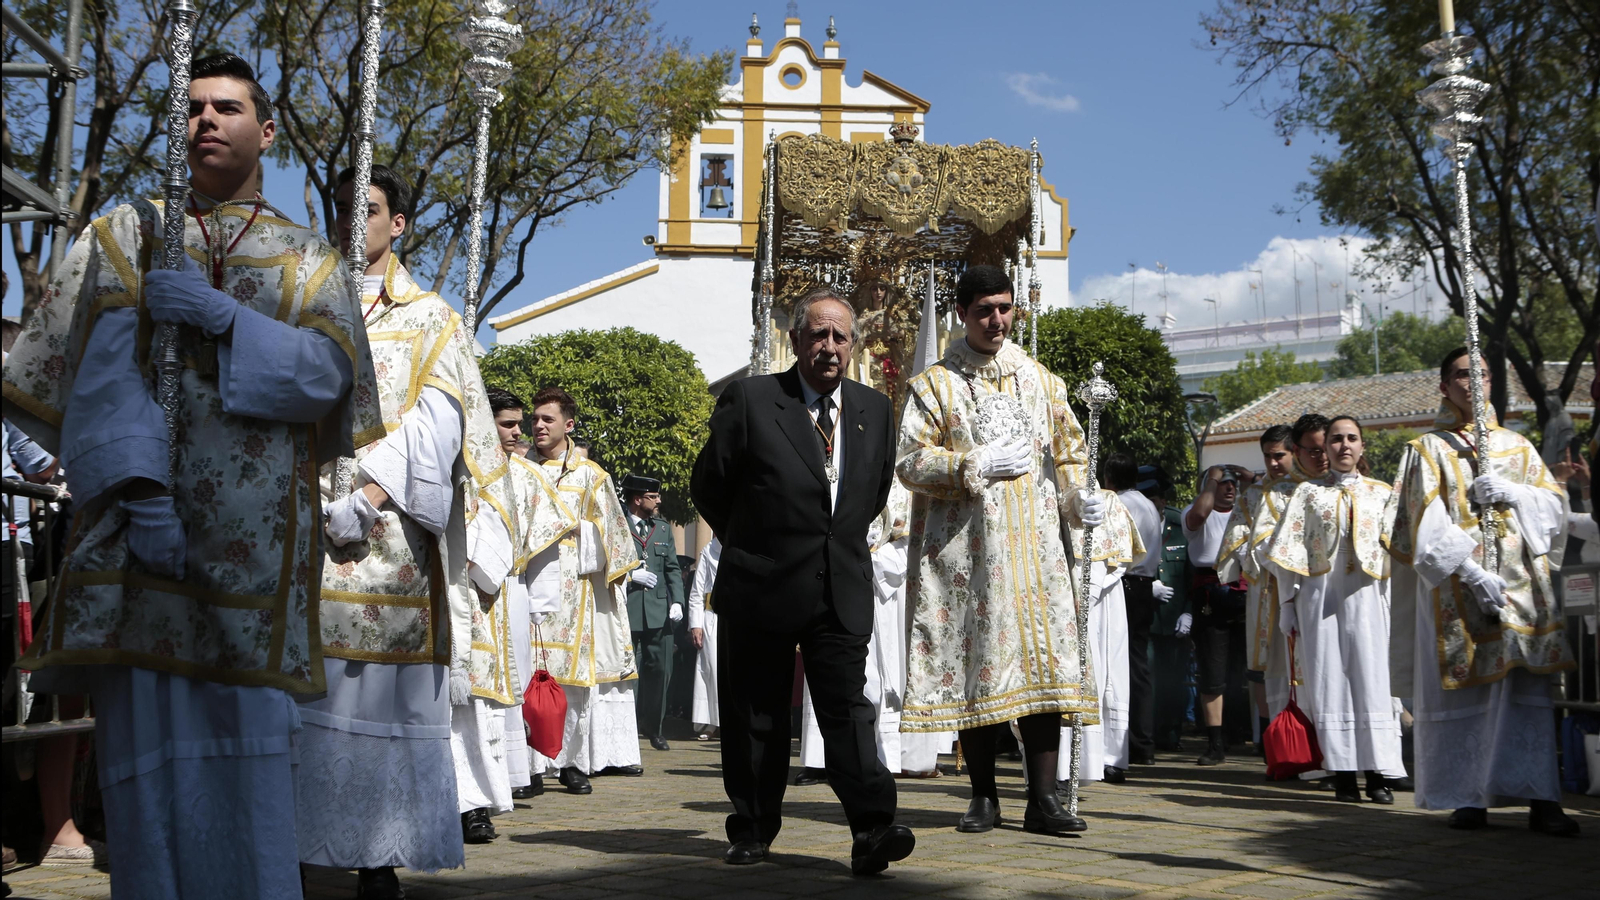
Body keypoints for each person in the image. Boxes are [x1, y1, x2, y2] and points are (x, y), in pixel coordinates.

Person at [3, 53, 384, 899]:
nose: (207, 121)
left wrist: (228, 322)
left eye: (228, 108)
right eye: (193, 109)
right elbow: (98, 379)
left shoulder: (311, 260)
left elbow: (331, 379)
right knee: (146, 775)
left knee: (248, 767)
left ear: (268, 130)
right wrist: (140, 494)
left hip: (255, 560)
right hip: (143, 550)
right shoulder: (125, 236)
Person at [293, 162, 531, 893]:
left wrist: (365, 495)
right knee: (304, 701)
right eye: (340, 207)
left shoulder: (430, 316)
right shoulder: (296, 304)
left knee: (379, 703)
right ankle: (298, 848)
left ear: (397, 224)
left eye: (365, 209)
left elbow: (440, 423)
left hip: (388, 542)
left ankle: (377, 854)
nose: (349, 221)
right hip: (298, 534)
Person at [692, 286, 912, 874]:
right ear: (795, 340)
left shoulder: (875, 410)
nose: (830, 347)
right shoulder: (752, 400)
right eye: (819, 334)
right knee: (758, 713)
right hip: (762, 585)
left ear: (854, 344)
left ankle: (872, 829)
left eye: (841, 336)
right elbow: (709, 484)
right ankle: (753, 829)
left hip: (839, 586)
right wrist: (756, 542)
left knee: (847, 709)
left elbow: (875, 491)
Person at [895, 264, 1101, 836]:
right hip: (968, 553)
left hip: (1036, 554)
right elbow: (910, 461)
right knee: (977, 669)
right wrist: (971, 464)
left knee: (1043, 672)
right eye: (985, 309)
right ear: (962, 314)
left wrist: (1081, 499)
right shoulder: (934, 385)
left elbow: (1070, 455)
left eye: (1005, 308)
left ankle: (1044, 797)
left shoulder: (1042, 381)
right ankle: (982, 795)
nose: (997, 320)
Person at [1386, 348, 1579, 835]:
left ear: (1493, 383)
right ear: (1444, 386)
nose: (1472, 382)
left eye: (1482, 374)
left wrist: (1518, 494)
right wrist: (1472, 573)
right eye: (1460, 374)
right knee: (1467, 698)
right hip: (1459, 590)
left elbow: (1556, 510)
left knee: (1525, 692)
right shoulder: (1425, 450)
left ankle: (1541, 798)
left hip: (1522, 592)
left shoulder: (1518, 447)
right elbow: (1418, 525)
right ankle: (1468, 796)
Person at [1265, 416, 1405, 803]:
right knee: (1329, 679)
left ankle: (1377, 773)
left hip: (1368, 594)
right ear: (1324, 448)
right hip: (1319, 596)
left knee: (1372, 678)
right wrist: (1288, 604)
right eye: (1336, 439)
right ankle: (1342, 773)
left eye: (1352, 439)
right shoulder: (1308, 494)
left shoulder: (1381, 493)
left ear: (1362, 447)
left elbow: (1402, 550)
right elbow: (1285, 554)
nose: (1344, 445)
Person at [525, 387, 643, 792]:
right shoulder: (520, 469)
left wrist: (577, 531)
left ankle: (571, 763)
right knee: (529, 674)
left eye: (548, 419)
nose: (538, 426)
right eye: (535, 419)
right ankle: (530, 765)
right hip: (527, 586)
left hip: (574, 591)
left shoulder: (591, 475)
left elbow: (615, 535)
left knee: (572, 682)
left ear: (568, 424)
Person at [797, 481, 922, 777]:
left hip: (876, 587)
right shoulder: (828, 471)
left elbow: (907, 544)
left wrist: (866, 562)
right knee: (825, 668)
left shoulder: (898, 488)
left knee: (874, 679)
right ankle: (819, 759)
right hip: (828, 576)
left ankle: (874, 757)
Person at [1217, 423, 1311, 732]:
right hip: (1265, 589)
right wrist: (1252, 554)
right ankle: (1274, 739)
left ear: (1294, 452)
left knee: (1306, 662)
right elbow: (1237, 536)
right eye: (1267, 456)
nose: (1272, 463)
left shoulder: (1309, 489)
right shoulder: (1253, 495)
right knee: (1265, 667)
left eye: (1279, 455)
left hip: (1303, 586)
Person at [1060, 478, 1145, 786]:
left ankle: (1109, 756)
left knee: (1108, 674)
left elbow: (1118, 556)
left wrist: (1091, 587)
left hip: (1100, 602)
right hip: (1060, 599)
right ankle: (1062, 764)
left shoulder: (1106, 500)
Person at [1183, 464, 1253, 766]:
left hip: (1244, 590)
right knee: (1212, 671)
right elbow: (1198, 517)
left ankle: (1250, 736)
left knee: (1248, 669)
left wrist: (1250, 480)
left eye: (1232, 483)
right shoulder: (1199, 509)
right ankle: (1215, 742)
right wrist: (1209, 481)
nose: (1229, 487)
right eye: (1222, 483)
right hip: (1211, 591)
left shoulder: (1245, 512)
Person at [621, 474, 685, 751]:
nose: (659, 501)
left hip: (659, 611)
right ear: (638, 499)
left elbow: (672, 568)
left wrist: (678, 602)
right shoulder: (619, 525)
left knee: (661, 671)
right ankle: (627, 729)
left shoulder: (661, 528)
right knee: (628, 673)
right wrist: (630, 576)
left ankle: (655, 728)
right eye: (653, 496)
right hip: (629, 608)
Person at [1109, 453, 1162, 768]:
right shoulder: (1149, 505)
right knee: (1138, 665)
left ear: (1109, 479)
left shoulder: (1118, 504)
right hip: (1144, 585)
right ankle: (1143, 742)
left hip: (1125, 584)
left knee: (1122, 663)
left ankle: (1132, 740)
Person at [1145, 468, 1194, 752]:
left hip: (1176, 619)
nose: (1151, 504)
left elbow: (1191, 576)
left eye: (1155, 499)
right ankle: (1148, 734)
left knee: (1174, 680)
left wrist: (1189, 612)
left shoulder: (1178, 525)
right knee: (1148, 680)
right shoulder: (1135, 523)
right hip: (1147, 619)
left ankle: (1171, 735)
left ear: (1163, 500)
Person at [688, 535, 723, 739]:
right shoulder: (708, 550)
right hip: (712, 617)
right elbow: (697, 591)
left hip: (739, 616)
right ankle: (711, 721)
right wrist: (695, 624)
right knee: (711, 668)